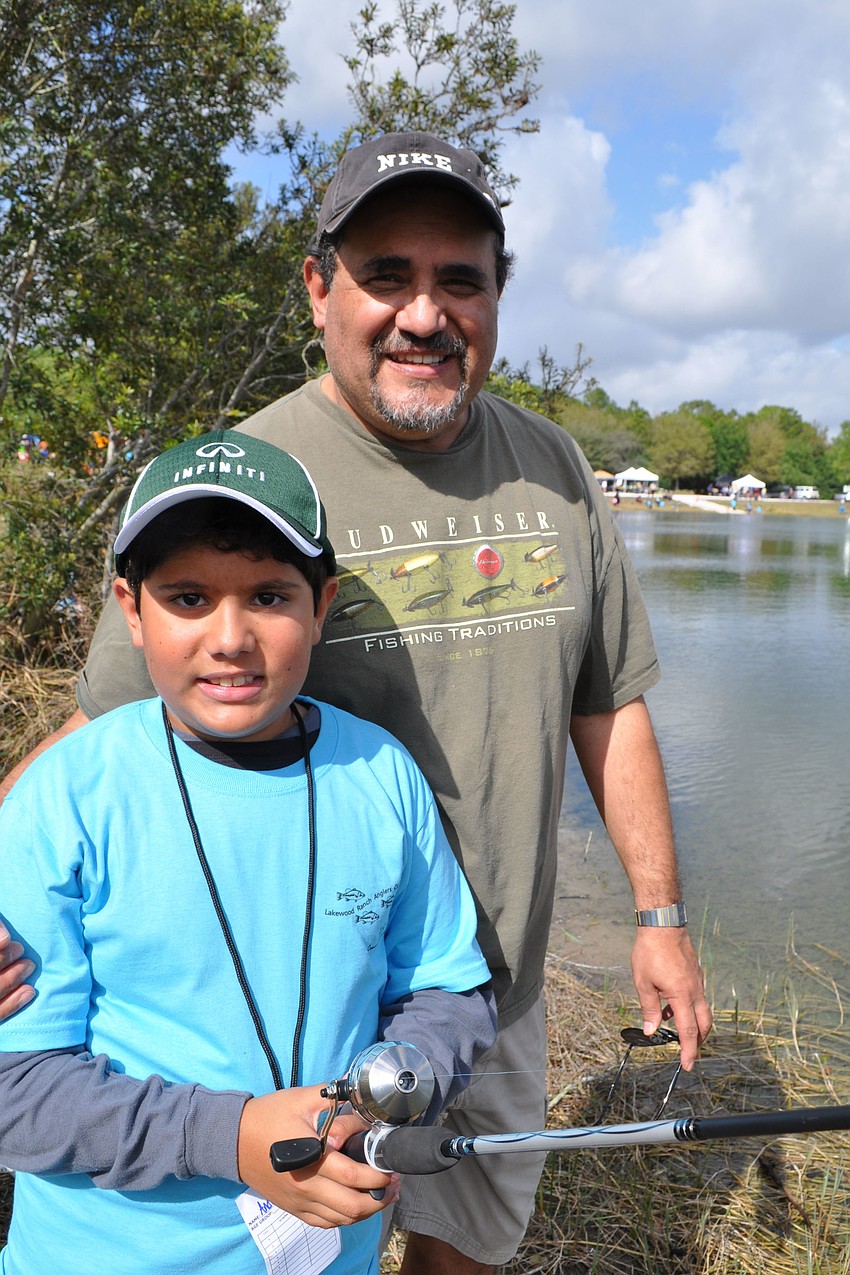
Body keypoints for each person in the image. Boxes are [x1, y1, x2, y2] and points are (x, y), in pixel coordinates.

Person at [0, 131, 712, 1274]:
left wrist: (659, 916)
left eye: (459, 279)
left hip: (493, 986)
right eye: (387, 273)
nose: (423, 314)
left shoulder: (555, 468)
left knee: (460, 1240)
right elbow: (103, 737)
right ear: (320, 288)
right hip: (316, 998)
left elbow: (609, 703)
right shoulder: (243, 479)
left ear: (494, 299)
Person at [0, 431, 496, 1275]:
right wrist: (232, 1137)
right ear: (131, 607)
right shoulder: (63, 797)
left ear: (322, 602)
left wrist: (394, 1082)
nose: (230, 637)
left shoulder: (382, 773)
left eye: (269, 596)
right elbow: (17, 1091)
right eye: (187, 597)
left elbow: (448, 989)